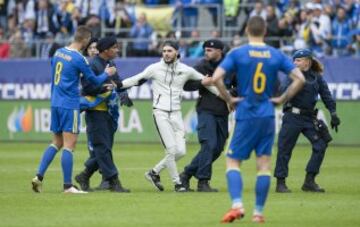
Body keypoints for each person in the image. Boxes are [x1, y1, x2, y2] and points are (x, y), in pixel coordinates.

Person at [209, 16, 305, 223]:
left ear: (246, 31)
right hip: (267, 115)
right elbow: (300, 78)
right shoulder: (275, 54)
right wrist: (282, 98)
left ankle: (237, 205)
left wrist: (229, 98)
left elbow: (216, 78)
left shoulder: (238, 53)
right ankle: (258, 213)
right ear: (265, 32)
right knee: (263, 165)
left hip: (246, 114)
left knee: (233, 162)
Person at [117, 40, 220, 192]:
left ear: (177, 52)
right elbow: (136, 79)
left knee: (181, 152)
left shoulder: (186, 70)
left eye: (169, 51)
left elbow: (206, 83)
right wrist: (117, 85)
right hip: (160, 112)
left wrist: (225, 98)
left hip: (177, 114)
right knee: (171, 150)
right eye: (164, 51)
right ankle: (178, 184)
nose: (166, 53)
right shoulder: (155, 68)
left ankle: (154, 173)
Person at [31, 26, 116, 193]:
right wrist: (107, 73)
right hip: (70, 104)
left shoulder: (58, 52)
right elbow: (94, 81)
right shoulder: (79, 59)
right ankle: (68, 186)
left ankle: (38, 177)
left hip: (55, 102)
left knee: (56, 142)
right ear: (85, 40)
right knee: (69, 145)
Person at [274, 49, 341, 193]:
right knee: (285, 149)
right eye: (294, 60)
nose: (294, 63)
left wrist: (333, 113)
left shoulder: (317, 77)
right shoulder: (292, 75)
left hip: (309, 118)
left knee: (320, 145)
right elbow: (283, 90)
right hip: (292, 116)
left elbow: (326, 95)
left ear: (307, 61)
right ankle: (281, 182)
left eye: (298, 60)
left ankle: (309, 181)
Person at [75, 36, 132, 193]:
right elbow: (86, 88)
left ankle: (84, 175)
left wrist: (123, 92)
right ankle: (113, 180)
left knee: (104, 148)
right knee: (102, 147)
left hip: (109, 112)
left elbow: (117, 81)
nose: (117, 50)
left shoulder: (111, 63)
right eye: (114, 47)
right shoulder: (92, 64)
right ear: (106, 50)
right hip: (95, 112)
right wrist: (104, 88)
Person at [180, 39, 236, 192]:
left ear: (220, 51)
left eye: (210, 50)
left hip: (223, 112)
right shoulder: (201, 66)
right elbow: (185, 85)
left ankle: (186, 174)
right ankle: (203, 181)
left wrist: (231, 96)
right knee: (208, 144)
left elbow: (239, 86)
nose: (206, 53)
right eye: (205, 50)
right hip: (206, 110)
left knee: (217, 148)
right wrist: (201, 83)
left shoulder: (230, 67)